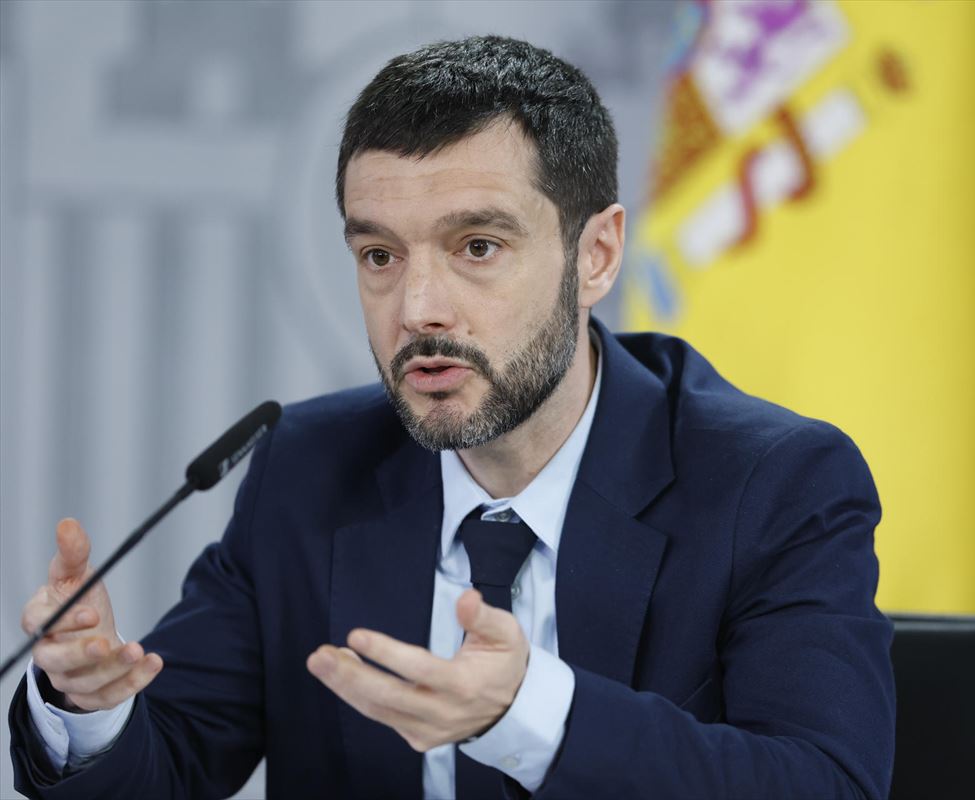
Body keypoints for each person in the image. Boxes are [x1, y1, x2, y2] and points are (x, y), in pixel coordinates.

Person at [8, 36, 895, 799]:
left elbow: (824, 782)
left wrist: (527, 715)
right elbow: (168, 764)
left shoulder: (773, 483)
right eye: (380, 255)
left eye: (477, 247)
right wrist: (91, 705)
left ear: (595, 255)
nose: (418, 308)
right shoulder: (308, 472)